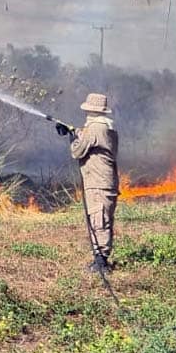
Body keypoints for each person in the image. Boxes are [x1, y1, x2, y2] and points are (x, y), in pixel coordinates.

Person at [57, 93, 119, 272]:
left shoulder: (95, 129)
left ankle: (101, 263)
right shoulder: (106, 128)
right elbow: (89, 138)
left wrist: (72, 139)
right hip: (105, 181)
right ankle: (100, 258)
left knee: (99, 220)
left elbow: (78, 151)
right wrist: (73, 130)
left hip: (98, 182)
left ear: (91, 111)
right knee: (102, 219)